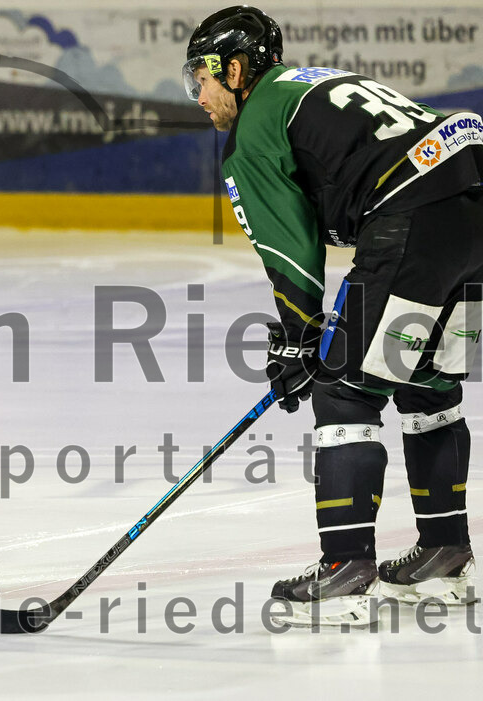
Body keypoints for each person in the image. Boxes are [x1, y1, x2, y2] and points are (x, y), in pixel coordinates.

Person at [184, 6, 482, 626]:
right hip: (472, 195)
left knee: (345, 391)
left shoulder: (255, 128)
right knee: (425, 378)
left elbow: (291, 255)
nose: (200, 98)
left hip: (417, 211)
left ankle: (346, 568)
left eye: (202, 80)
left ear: (235, 70)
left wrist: (299, 343)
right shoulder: (312, 82)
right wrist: (308, 338)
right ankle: (446, 551)